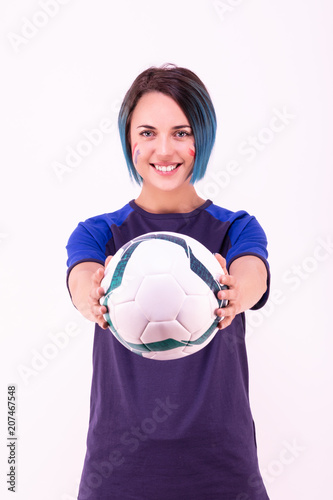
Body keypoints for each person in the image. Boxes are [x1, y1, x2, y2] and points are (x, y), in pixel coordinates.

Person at [66, 64, 270, 500]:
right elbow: (82, 274)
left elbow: (253, 271)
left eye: (181, 132)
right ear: (128, 140)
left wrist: (236, 290)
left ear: (203, 137)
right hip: (118, 468)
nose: (164, 148)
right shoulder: (99, 232)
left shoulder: (236, 227)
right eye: (147, 132)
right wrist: (88, 293)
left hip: (222, 467)